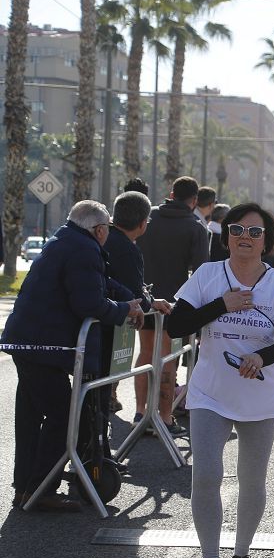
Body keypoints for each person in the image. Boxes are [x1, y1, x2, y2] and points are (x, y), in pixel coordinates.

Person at [165, 203, 274, 558]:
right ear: (226, 236)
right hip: (210, 392)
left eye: (255, 232)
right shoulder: (209, 276)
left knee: (251, 479)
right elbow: (176, 326)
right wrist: (221, 305)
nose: (246, 237)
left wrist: (262, 357)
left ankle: (241, 556)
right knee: (205, 475)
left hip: (260, 393)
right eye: (238, 229)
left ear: (267, 241)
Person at [3, 200, 143, 511]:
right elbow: (89, 303)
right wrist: (125, 310)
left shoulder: (66, 239)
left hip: (29, 343)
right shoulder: (84, 248)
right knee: (62, 417)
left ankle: (27, 489)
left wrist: (132, 299)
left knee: (31, 420)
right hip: (44, 347)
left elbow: (101, 283)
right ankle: (41, 490)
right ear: (100, 229)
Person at [135, 175, 211, 437]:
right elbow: (201, 271)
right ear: (194, 201)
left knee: (145, 353)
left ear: (171, 192)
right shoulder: (196, 227)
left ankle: (139, 411)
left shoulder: (149, 217)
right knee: (168, 358)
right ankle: (164, 417)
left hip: (144, 298)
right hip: (174, 303)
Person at [103, 192, 173, 452]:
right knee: (95, 396)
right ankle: (95, 458)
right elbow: (132, 290)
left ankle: (95, 454)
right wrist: (148, 301)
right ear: (144, 223)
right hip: (105, 327)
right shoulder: (127, 249)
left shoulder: (104, 238)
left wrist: (147, 300)